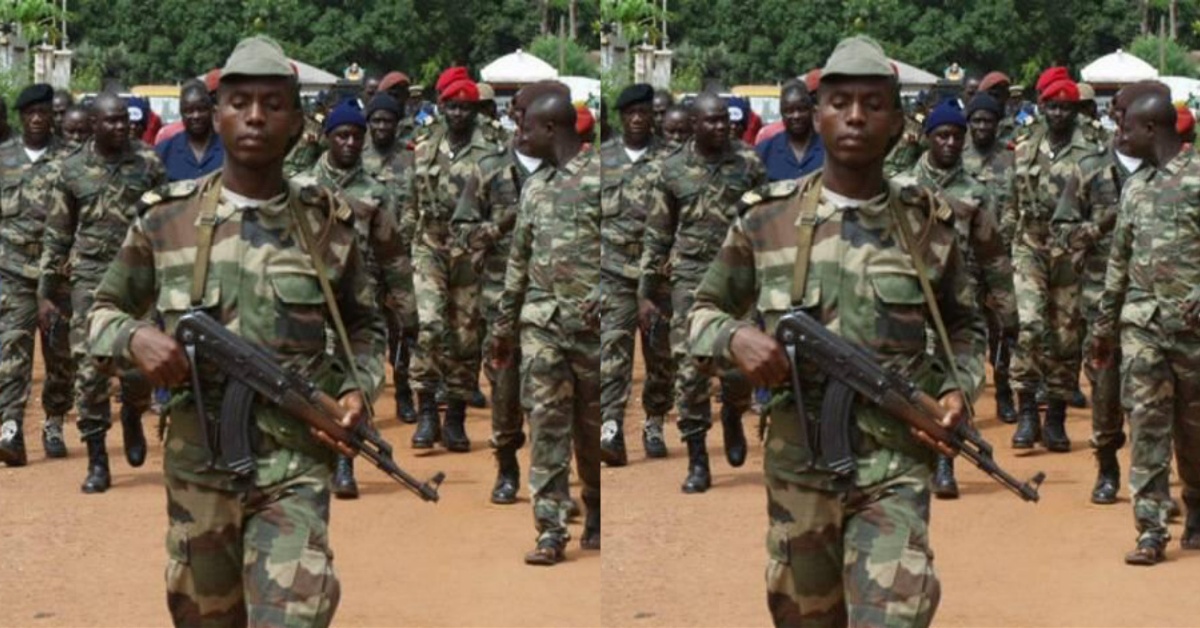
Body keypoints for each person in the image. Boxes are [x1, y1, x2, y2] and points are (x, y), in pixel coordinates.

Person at [87, 35, 385, 624]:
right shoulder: (165, 219)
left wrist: (358, 391)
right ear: (215, 115)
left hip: (294, 467)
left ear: (299, 122)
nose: (255, 116)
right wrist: (134, 339)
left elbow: (366, 326)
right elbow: (99, 312)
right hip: (199, 467)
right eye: (240, 101)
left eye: (273, 104)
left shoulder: (329, 225)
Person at [688, 35, 985, 625]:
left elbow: (966, 326)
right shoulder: (765, 220)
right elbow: (699, 312)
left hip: (894, 465)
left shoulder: (930, 225)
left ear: (899, 123)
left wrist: (959, 390)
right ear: (816, 115)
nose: (855, 116)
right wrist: (734, 339)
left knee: (892, 615)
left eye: (873, 104)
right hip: (799, 465)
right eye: (840, 101)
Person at [490, 89, 600, 565]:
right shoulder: (534, 188)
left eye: (527, 128)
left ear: (551, 129)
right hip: (542, 328)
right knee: (547, 426)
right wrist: (504, 328)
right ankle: (550, 530)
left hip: (593, 332)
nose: (521, 135)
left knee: (591, 430)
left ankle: (595, 508)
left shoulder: (600, 179)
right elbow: (518, 262)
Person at [1091, 87, 1200, 566]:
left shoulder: (1198, 178)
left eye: (1127, 127)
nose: (1121, 134)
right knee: (1147, 425)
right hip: (1143, 328)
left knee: (1194, 430)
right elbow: (1119, 263)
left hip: (1193, 331)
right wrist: (1104, 329)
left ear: (1152, 129)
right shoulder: (1134, 188)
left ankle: (1196, 506)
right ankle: (1150, 529)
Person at [36, 91, 165, 493]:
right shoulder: (71, 171)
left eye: (123, 120)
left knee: (139, 367)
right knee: (89, 370)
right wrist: (46, 291)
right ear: (93, 124)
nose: (119, 126)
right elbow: (58, 235)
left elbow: (167, 217)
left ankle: (132, 413)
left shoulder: (148, 163)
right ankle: (96, 460)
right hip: (89, 279)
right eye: (109, 121)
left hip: (137, 279)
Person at [637, 91, 765, 493]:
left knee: (739, 366)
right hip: (689, 279)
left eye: (723, 120)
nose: (719, 126)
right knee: (690, 370)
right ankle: (696, 459)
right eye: (710, 121)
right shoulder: (671, 170)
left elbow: (767, 218)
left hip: (738, 277)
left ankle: (732, 413)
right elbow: (658, 234)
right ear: (693, 124)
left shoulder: (749, 163)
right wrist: (646, 291)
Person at [894, 98, 1016, 499]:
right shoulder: (902, 186)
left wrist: (1006, 306)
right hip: (910, 297)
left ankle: (945, 462)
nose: (949, 142)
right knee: (913, 378)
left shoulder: (976, 192)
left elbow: (994, 255)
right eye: (942, 135)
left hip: (959, 300)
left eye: (956, 136)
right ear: (928, 138)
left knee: (953, 377)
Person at [292, 98, 408, 500]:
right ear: (327, 139)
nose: (349, 143)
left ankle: (345, 461)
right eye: (342, 135)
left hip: (357, 297)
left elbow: (392, 253)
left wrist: (405, 305)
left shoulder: (376, 192)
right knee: (309, 376)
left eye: (356, 136)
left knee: (353, 377)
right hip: (307, 295)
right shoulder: (302, 186)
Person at [454, 82, 557, 502]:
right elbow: (461, 233)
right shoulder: (490, 169)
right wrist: (501, 225)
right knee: (505, 389)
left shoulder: (565, 173)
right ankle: (507, 466)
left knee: (551, 395)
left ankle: (550, 480)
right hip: (500, 301)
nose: (521, 120)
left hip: (552, 302)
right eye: (519, 112)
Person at [1004, 67, 1105, 452]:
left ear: (1076, 110)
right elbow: (1012, 202)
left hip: (1070, 252)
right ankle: (1027, 408)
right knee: (1028, 326)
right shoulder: (1025, 145)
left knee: (1066, 337)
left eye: (1066, 108)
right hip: (1029, 245)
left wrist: (1086, 237)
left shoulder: (1093, 151)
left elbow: (1105, 207)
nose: (1060, 114)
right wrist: (1004, 245)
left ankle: (1057, 417)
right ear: (1043, 108)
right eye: (1053, 107)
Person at [404, 66, 500, 451]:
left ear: (475, 109)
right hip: (428, 245)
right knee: (428, 326)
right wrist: (406, 241)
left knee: (465, 336)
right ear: (442, 107)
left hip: (469, 252)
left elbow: (502, 204)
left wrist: (485, 241)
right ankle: (426, 409)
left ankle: (456, 416)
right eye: (452, 107)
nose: (459, 113)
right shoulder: (425, 145)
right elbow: (411, 201)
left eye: (465, 107)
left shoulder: (492, 151)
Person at [0, 83, 76, 466]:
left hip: (58, 276)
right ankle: (10, 427)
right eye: (29, 113)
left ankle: (54, 421)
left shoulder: (72, 160)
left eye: (42, 113)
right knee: (11, 350)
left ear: (51, 116)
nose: (35, 119)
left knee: (60, 356)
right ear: (20, 117)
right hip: (11, 273)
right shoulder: (3, 158)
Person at [599, 83, 675, 466]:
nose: (638, 118)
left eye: (644, 112)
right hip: (613, 273)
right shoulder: (602, 160)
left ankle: (654, 421)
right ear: (622, 117)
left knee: (660, 356)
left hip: (658, 276)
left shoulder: (672, 160)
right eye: (631, 113)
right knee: (612, 351)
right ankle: (610, 427)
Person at [361, 92, 418, 423]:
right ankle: (364, 400)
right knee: (367, 331)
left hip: (399, 259)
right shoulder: (357, 156)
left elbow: (416, 204)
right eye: (376, 120)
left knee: (403, 330)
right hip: (365, 259)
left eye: (388, 121)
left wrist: (402, 242)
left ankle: (404, 393)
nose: (382, 126)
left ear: (398, 124)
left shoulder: (410, 159)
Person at [962, 91, 1018, 422]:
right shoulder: (956, 155)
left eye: (988, 121)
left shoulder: (1010, 159)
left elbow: (1017, 204)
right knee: (968, 330)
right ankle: (964, 399)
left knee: (1003, 330)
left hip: (1000, 259)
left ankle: (1004, 393)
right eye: (977, 120)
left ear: (998, 124)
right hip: (965, 258)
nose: (982, 126)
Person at [755, 80, 825, 181]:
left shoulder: (829, 149)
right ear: (781, 113)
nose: (796, 116)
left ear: (811, 110)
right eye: (789, 111)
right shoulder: (765, 151)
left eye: (801, 109)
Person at [155, 80, 224, 182]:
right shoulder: (164, 151)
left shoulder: (229, 149)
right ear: (181, 113)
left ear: (211, 110)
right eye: (189, 111)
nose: (196, 116)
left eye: (201, 109)